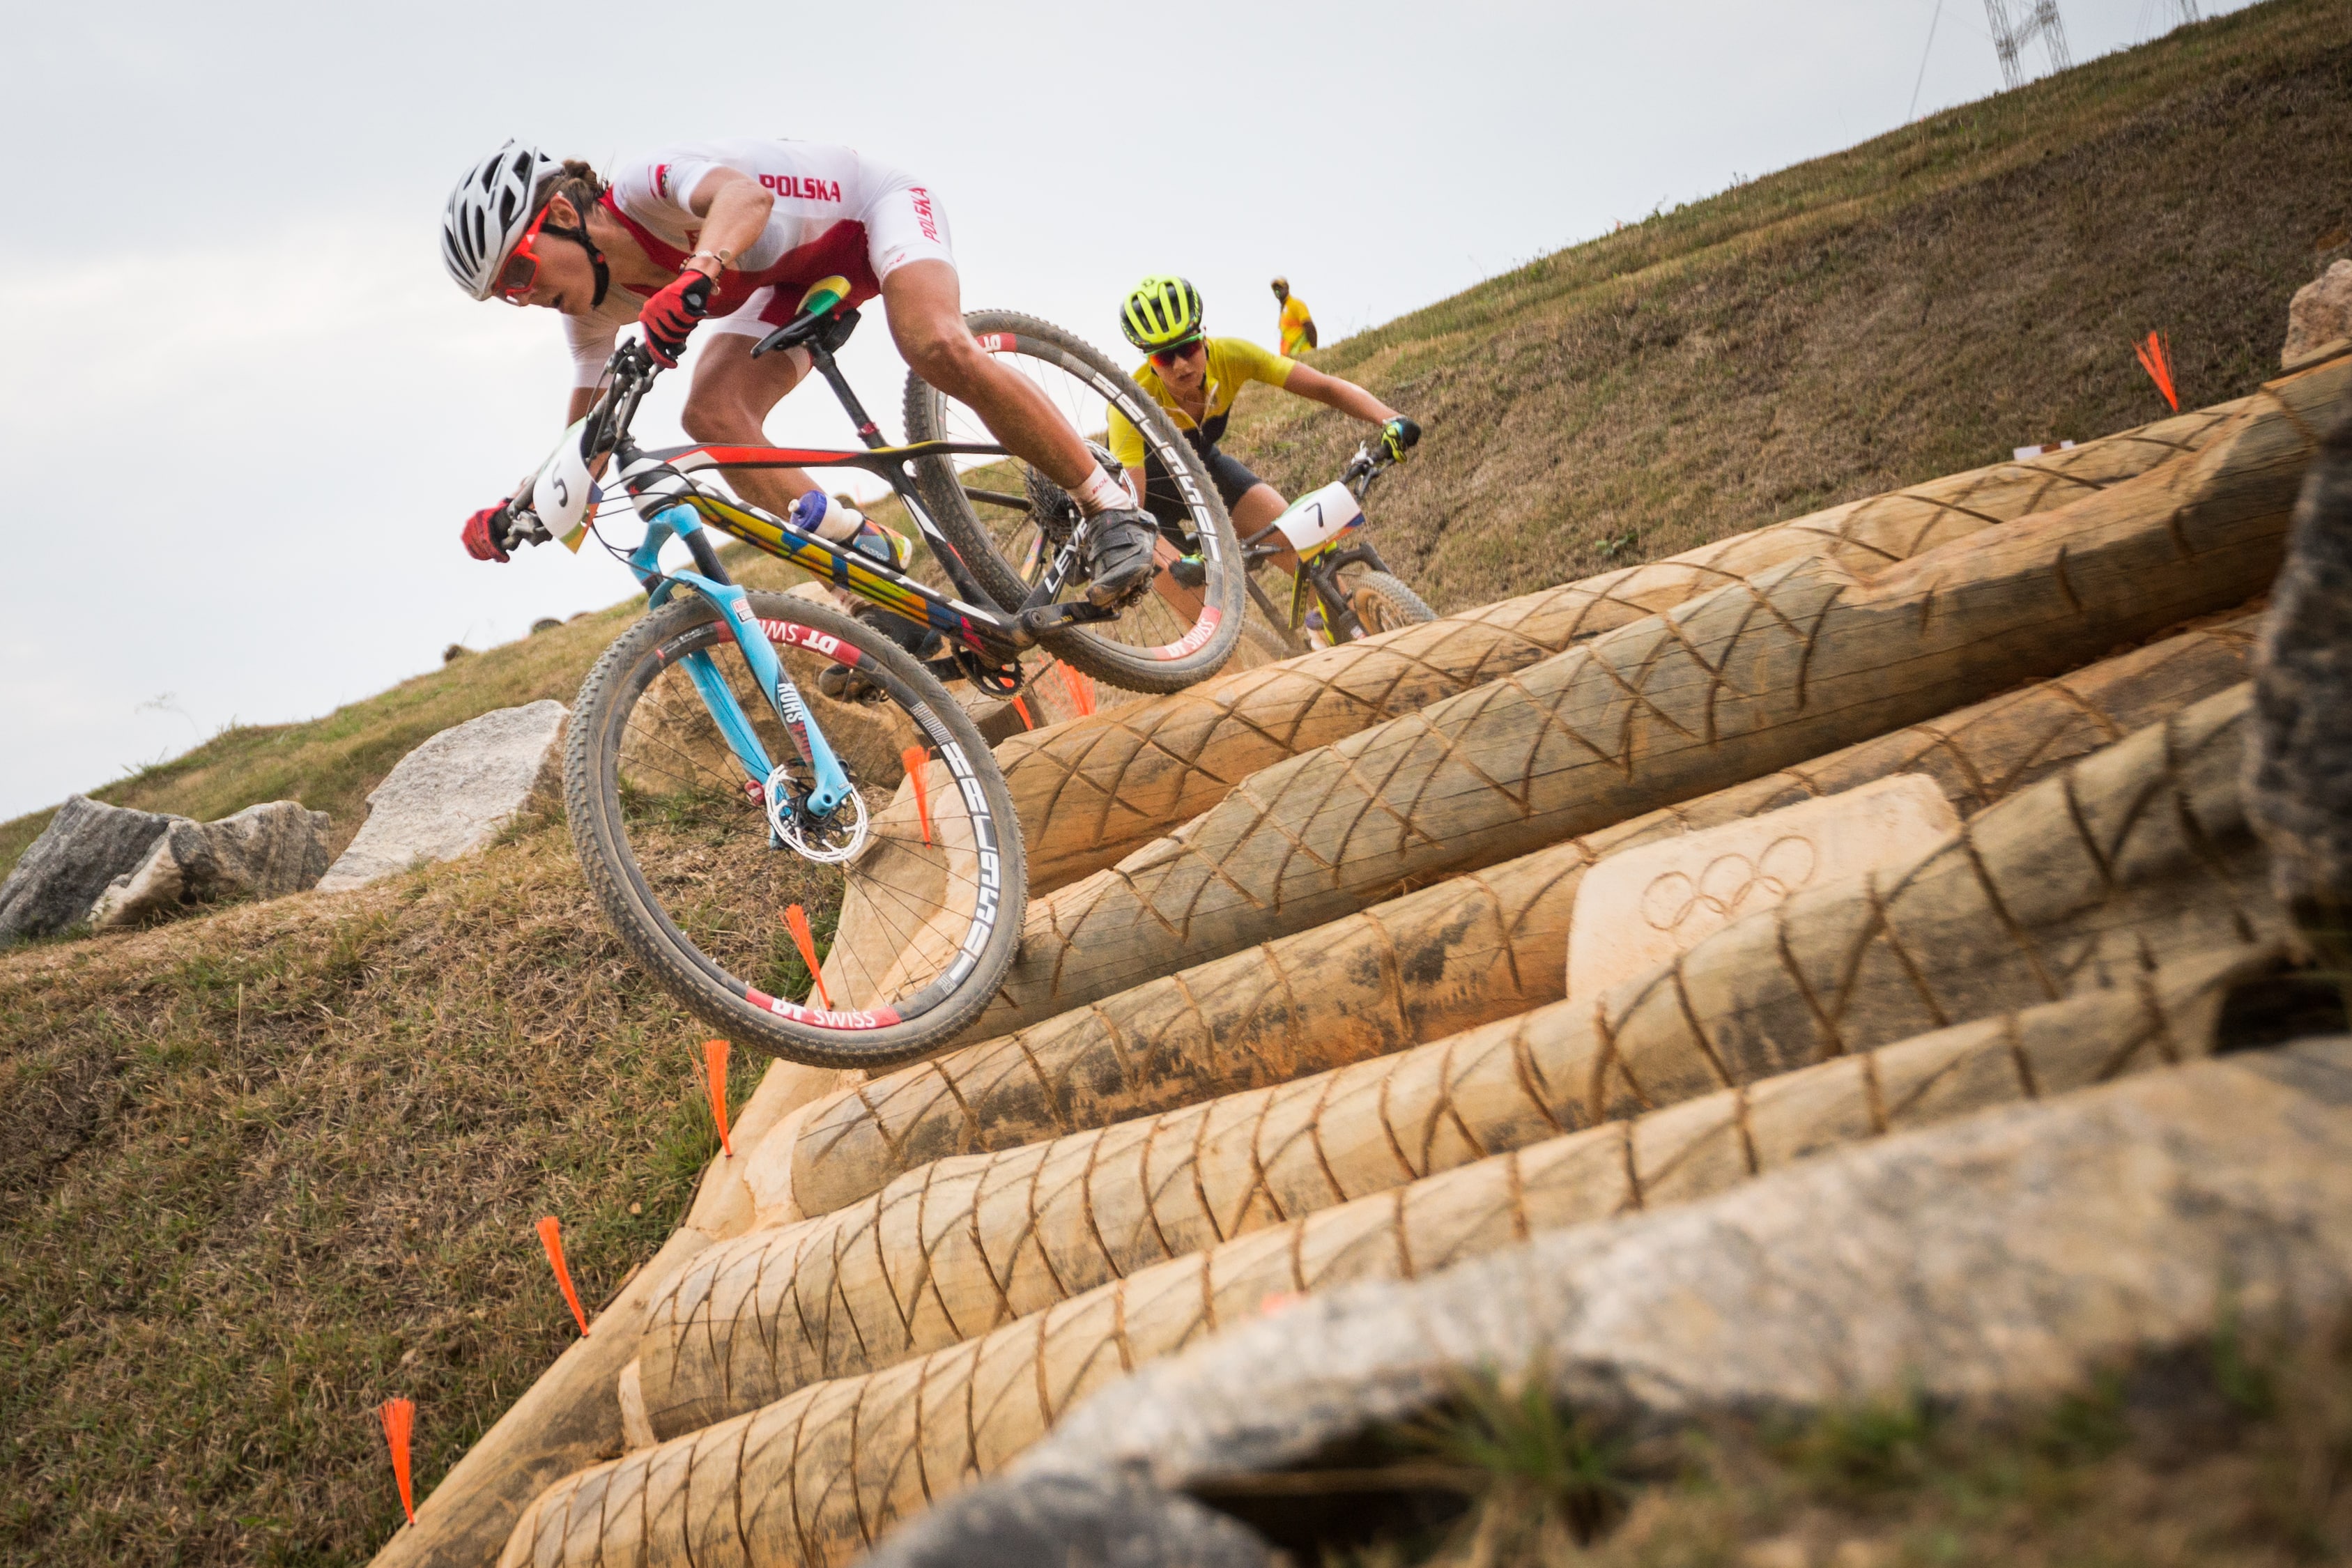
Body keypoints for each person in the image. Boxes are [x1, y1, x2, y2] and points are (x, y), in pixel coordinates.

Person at [441, 140, 1162, 608]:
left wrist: (696, 273)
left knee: (932, 343)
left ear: (562, 213)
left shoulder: (641, 185)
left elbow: (745, 201)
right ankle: (873, 582)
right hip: (785, 279)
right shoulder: (590, 316)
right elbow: (585, 443)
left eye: (521, 272)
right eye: (506, 294)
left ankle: (1108, 504)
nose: (525, 297)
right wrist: (520, 508)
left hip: (872, 211)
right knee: (712, 418)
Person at [1107, 275, 1414, 591]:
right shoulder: (1130, 403)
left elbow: (1325, 387)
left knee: (1305, 553)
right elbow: (1132, 508)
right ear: (1147, 360)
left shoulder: (1231, 355)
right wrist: (1169, 560)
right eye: (1164, 357)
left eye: (1188, 347)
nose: (1182, 365)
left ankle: (1324, 629)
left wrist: (1391, 419)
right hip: (1149, 507)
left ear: (1203, 337)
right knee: (1204, 610)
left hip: (1204, 472)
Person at [1271, 276, 1316, 356]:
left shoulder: (1296, 304)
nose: (1277, 290)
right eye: (1275, 289)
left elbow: (1309, 326)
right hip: (1291, 356)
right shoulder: (1284, 310)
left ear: (1287, 287)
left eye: (1280, 287)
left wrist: (1313, 350)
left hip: (1302, 352)